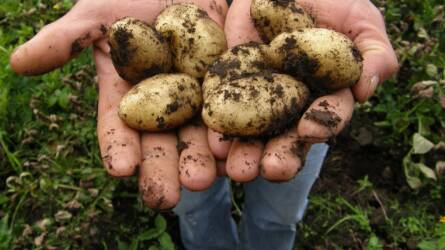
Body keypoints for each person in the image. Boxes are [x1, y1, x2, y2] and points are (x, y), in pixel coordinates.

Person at [10, 0, 398, 249]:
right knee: (194, 194)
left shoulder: (279, 56)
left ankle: (271, 239)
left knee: (279, 203)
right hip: (197, 94)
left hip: (300, 105)